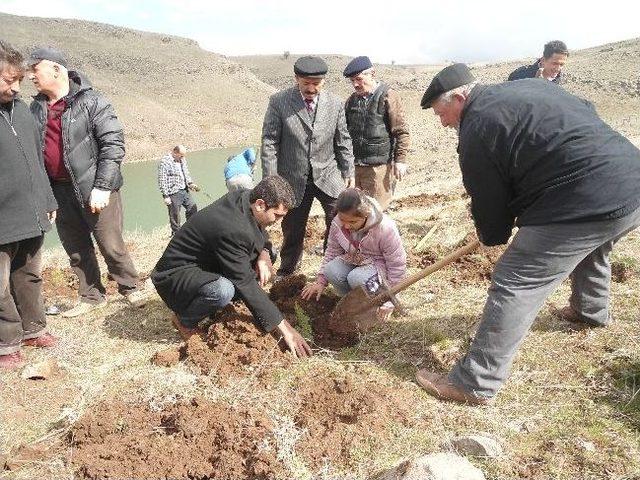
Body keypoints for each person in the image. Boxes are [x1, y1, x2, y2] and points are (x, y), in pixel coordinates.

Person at [417, 63, 640, 405]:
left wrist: (492, 235)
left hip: (582, 199)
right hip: (631, 182)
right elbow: (587, 110)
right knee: (592, 244)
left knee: (515, 281)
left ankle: (475, 382)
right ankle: (590, 311)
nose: (443, 122)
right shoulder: (531, 87)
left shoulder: (476, 129)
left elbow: (490, 202)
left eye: (442, 113)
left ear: (461, 98)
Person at [28, 47, 146, 318]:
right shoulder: (35, 108)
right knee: (75, 246)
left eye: (35, 69)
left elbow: (113, 143)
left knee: (110, 242)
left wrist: (103, 186)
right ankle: (91, 295)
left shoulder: (92, 101)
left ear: (56, 69)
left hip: (94, 188)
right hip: (58, 189)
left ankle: (130, 287)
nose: (31, 76)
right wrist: (44, 196)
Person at [151, 176, 312, 358]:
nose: (279, 221)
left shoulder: (245, 197)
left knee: (269, 255)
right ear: (260, 204)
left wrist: (264, 253)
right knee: (222, 290)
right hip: (176, 275)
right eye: (277, 215)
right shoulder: (231, 227)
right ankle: (185, 321)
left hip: (209, 263)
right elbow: (245, 282)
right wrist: (286, 330)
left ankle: (221, 302)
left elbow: (258, 231)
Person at [261, 55, 355, 279]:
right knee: (292, 229)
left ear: (324, 81)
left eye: (316, 83)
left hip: (328, 174)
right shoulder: (279, 102)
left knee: (338, 221)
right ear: (296, 79)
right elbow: (269, 142)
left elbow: (343, 140)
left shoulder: (335, 103)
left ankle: (332, 268)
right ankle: (288, 270)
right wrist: (271, 181)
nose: (311, 88)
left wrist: (348, 170)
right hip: (292, 179)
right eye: (306, 84)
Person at [0, 41, 58, 369]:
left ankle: (33, 330)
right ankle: (7, 344)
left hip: (31, 213)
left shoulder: (21, 110)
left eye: (19, 79)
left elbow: (36, 160)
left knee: (29, 275)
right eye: (8, 80)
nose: (16, 87)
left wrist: (47, 198)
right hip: (2, 218)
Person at [301, 188, 407, 320]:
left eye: (352, 222)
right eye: (342, 219)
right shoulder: (337, 223)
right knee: (331, 270)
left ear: (366, 215)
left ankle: (375, 303)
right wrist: (320, 282)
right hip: (355, 260)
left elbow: (397, 265)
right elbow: (332, 251)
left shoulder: (385, 228)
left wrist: (391, 297)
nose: (346, 226)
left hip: (379, 268)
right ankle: (351, 303)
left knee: (356, 278)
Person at [343, 56, 410, 210]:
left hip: (378, 169)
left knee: (377, 212)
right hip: (354, 168)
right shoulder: (351, 101)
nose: (355, 84)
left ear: (372, 73)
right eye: (352, 81)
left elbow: (401, 131)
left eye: (358, 79)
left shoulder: (388, 96)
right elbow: (344, 133)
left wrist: (400, 160)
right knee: (355, 212)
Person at [158, 145, 199, 234]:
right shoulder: (165, 162)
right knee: (175, 215)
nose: (182, 157)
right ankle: (176, 234)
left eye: (183, 156)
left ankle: (190, 229)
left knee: (192, 208)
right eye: (181, 155)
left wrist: (191, 183)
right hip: (173, 192)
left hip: (184, 189)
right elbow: (162, 179)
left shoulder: (182, 159)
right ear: (175, 152)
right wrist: (165, 196)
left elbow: (186, 172)